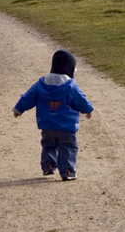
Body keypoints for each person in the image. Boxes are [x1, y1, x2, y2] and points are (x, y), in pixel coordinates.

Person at [13, 50, 93, 181]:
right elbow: (80, 100)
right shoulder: (71, 86)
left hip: (47, 125)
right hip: (66, 126)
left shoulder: (41, 84)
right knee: (68, 147)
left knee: (48, 145)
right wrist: (88, 110)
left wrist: (18, 109)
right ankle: (67, 171)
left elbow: (28, 97)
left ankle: (48, 166)